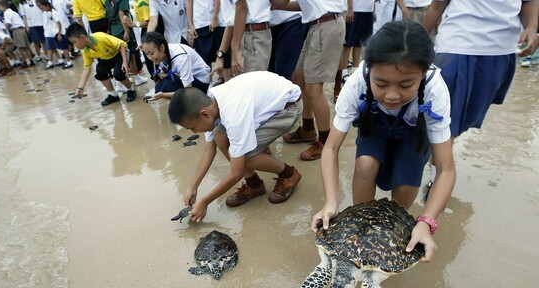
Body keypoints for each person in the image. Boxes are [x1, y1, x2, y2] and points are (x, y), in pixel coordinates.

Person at [312, 20, 456, 262]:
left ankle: (394, 230)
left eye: (406, 84)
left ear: (423, 73)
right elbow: (331, 147)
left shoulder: (435, 90)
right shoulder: (358, 80)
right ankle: (360, 223)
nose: (391, 95)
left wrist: (426, 221)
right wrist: (331, 201)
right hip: (374, 124)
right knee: (365, 164)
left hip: (413, 132)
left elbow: (446, 169)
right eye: (381, 83)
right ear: (370, 71)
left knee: (407, 182)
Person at [422, 0, 538, 191]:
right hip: (459, 47)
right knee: (444, 121)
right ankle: (437, 181)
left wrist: (532, 27)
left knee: (460, 122)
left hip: (501, 51)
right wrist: (413, 43)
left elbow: (529, 1)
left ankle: (437, 172)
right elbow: (437, 5)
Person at [168, 71, 303, 221]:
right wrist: (192, 187)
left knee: (245, 156)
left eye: (192, 127)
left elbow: (236, 172)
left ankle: (289, 174)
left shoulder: (233, 115)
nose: (195, 132)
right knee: (220, 135)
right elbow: (209, 151)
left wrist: (205, 201)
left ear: (204, 114)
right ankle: (254, 184)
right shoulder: (211, 103)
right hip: (267, 102)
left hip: (289, 107)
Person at [272, 0, 347, 161]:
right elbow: (302, 4)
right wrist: (279, 6)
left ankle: (325, 141)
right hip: (317, 25)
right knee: (298, 75)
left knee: (314, 88)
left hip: (326, 26)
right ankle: (307, 129)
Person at [66, 22, 137, 105]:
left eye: (74, 42)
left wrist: (125, 62)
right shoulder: (85, 50)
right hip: (107, 57)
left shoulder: (100, 37)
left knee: (118, 73)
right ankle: (113, 95)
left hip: (120, 53)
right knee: (100, 72)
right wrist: (80, 88)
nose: (74, 45)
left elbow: (121, 45)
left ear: (82, 38)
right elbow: (87, 69)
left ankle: (131, 90)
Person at [142, 31, 210, 101]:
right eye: (147, 54)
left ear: (162, 47)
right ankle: (180, 101)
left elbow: (188, 90)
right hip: (188, 77)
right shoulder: (164, 52)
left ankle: (196, 99)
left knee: (166, 89)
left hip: (201, 81)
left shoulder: (181, 57)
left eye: (151, 53)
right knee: (160, 86)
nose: (150, 58)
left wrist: (163, 95)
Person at [0, 0, 34, 68]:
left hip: (16, 30)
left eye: (0, 7)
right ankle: (31, 61)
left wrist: (4, 28)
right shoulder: (13, 12)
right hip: (22, 29)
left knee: (20, 48)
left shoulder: (6, 13)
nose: (0, 8)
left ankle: (25, 63)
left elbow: (8, 23)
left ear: (3, 6)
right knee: (25, 47)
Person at [37, 0, 73, 69]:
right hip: (56, 33)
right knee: (63, 48)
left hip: (59, 33)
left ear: (47, 6)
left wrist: (59, 34)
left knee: (64, 48)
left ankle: (69, 62)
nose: (42, 9)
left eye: (43, 7)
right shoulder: (49, 13)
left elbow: (58, 23)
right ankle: (67, 61)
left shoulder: (53, 13)